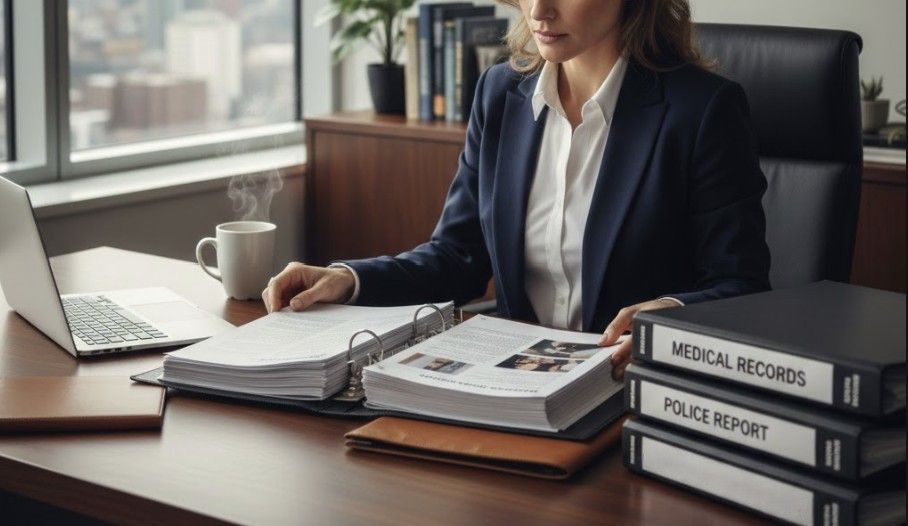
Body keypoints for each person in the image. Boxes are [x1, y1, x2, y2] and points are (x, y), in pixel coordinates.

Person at [262, 0, 771, 380]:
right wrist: (347, 280)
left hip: (631, 392)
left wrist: (669, 315)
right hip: (511, 387)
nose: (538, 10)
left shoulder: (702, 110)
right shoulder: (500, 93)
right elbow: (457, 257)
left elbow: (742, 286)